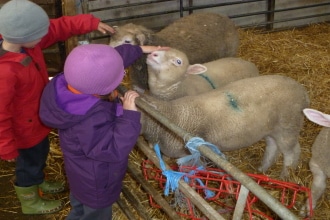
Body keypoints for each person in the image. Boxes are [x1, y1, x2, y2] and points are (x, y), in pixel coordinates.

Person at [0, 0, 116, 214]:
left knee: (41, 153)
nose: (45, 36)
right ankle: (29, 199)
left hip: (36, 119)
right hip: (22, 132)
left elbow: (58, 27)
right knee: (29, 163)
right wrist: (5, 146)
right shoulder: (5, 72)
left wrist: (89, 22)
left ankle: (38, 182)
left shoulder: (25, 43)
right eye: (40, 34)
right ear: (24, 37)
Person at [39, 43, 166, 219]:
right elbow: (112, 149)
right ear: (103, 88)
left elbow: (104, 64)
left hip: (80, 176)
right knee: (94, 216)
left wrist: (138, 50)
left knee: (79, 209)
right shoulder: (90, 119)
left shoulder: (68, 84)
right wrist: (129, 115)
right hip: (97, 184)